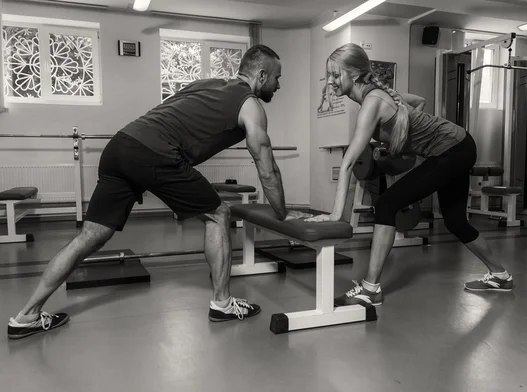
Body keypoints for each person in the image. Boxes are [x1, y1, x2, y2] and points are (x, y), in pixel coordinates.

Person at [7, 44, 310, 340]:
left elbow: (169, 113)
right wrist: (283, 213)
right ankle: (222, 304)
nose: (278, 85)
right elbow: (266, 166)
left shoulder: (205, 83)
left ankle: (26, 316)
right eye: (276, 78)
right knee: (218, 213)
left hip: (120, 145)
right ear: (260, 76)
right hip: (154, 152)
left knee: (90, 236)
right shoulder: (251, 105)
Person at [306, 43, 514, 307]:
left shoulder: (372, 102)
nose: (331, 82)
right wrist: (403, 137)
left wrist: (336, 215)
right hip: (459, 145)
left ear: (355, 74)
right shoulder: (380, 96)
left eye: (336, 75)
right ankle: (501, 275)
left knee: (386, 204)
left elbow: (348, 161)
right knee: (455, 222)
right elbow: (418, 102)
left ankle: (370, 289)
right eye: (329, 76)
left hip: (453, 150)